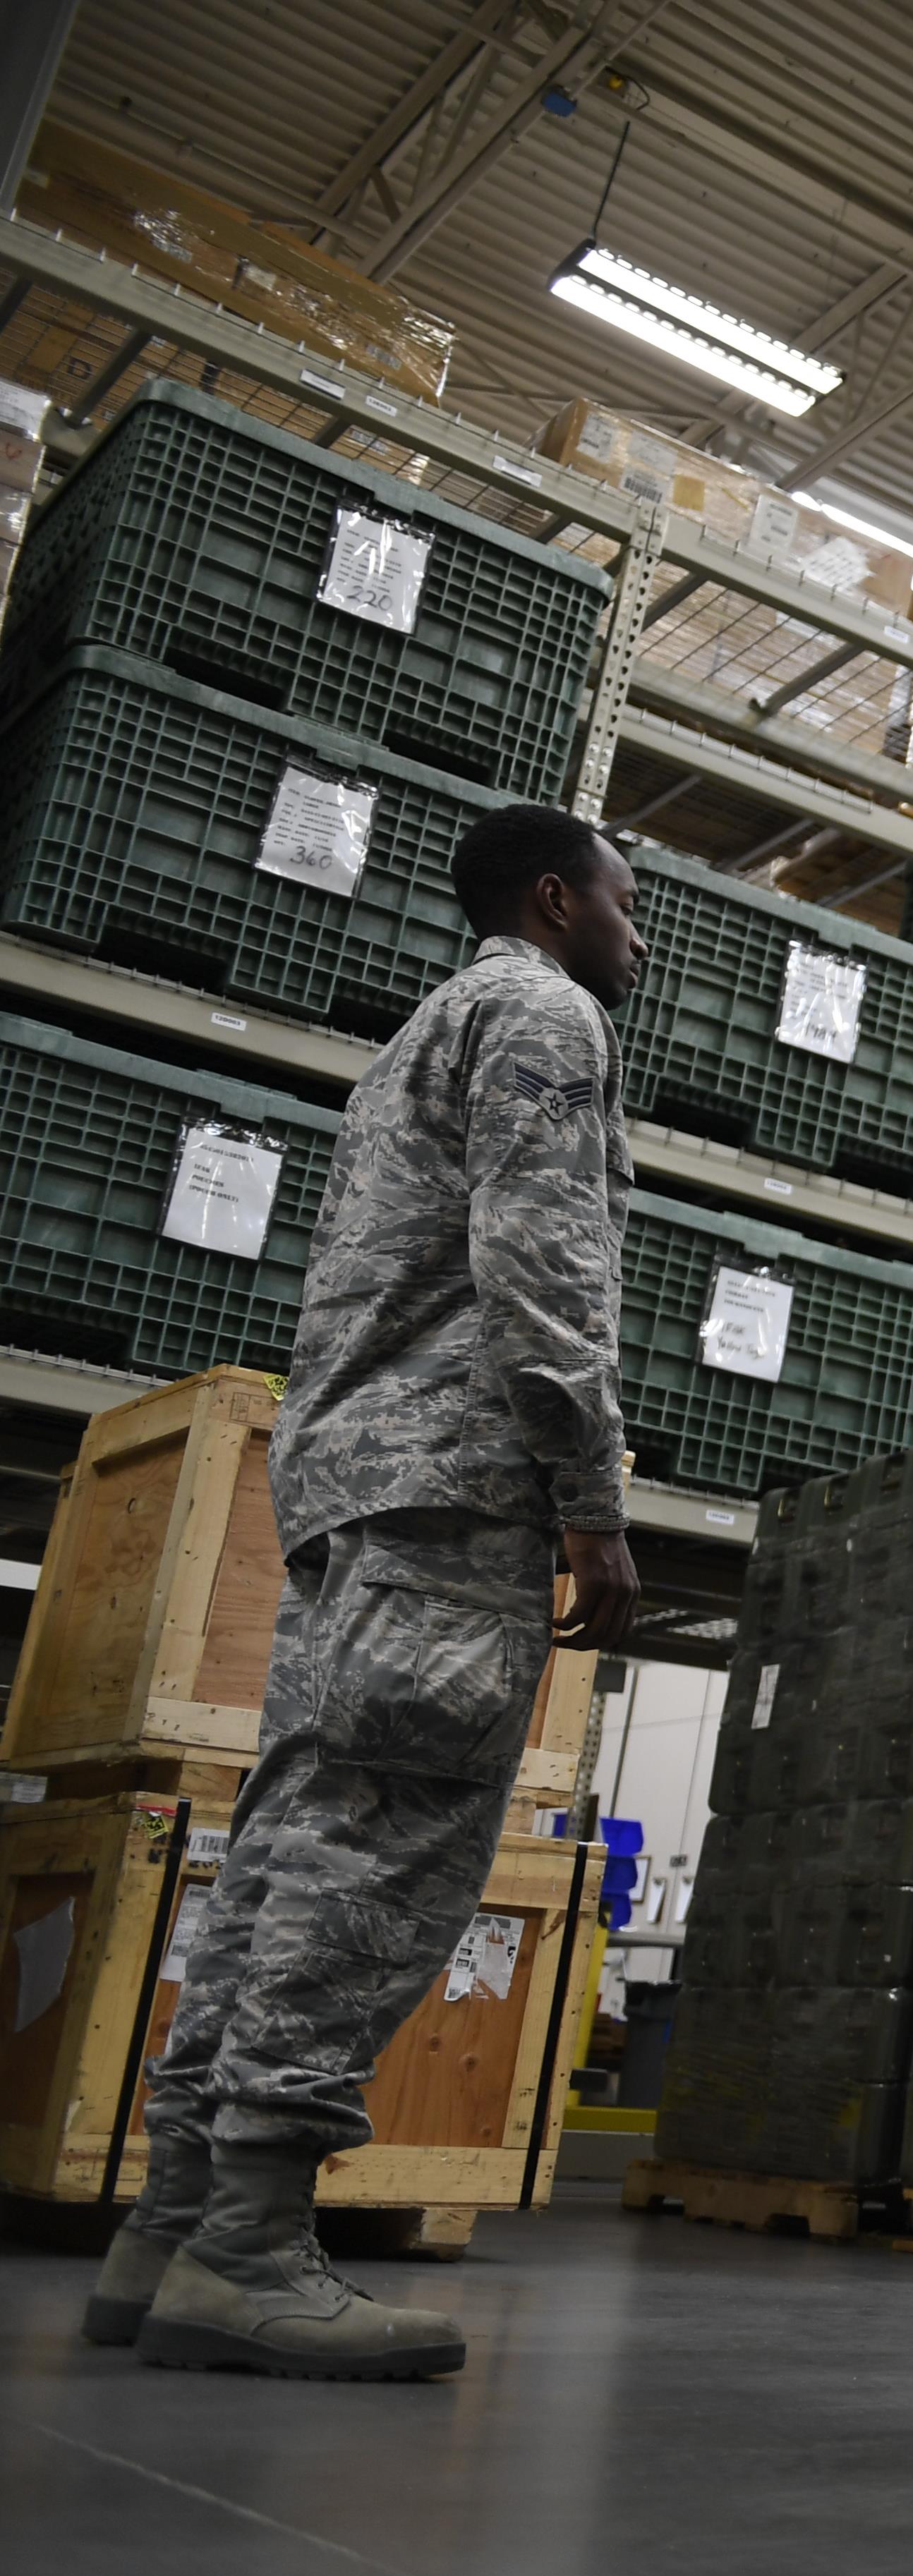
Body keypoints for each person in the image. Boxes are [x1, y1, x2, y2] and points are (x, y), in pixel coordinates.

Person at [86, 803, 644, 2378]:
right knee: (383, 1853)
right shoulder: (545, 1016)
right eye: (626, 900)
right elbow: (544, 1258)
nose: (640, 933)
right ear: (556, 899)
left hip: (352, 1482)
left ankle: (170, 2226)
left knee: (291, 1842)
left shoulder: (423, 1031)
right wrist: (592, 1497)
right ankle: (249, 2249)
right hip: (454, 1485)